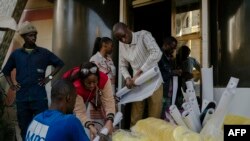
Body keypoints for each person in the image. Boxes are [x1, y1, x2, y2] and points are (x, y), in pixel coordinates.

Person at [2, 21, 64, 140]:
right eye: (30, 35)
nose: (34, 37)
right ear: (24, 37)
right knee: (24, 128)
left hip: (39, 98)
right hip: (22, 99)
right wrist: (12, 85)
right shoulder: (16, 55)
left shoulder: (44, 53)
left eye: (35, 34)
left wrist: (48, 78)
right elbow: (6, 71)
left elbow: (59, 64)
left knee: (43, 126)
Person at [112, 22, 163, 126]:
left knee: (155, 117)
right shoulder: (122, 45)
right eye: (120, 39)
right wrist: (127, 78)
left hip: (154, 81)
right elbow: (122, 66)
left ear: (128, 28)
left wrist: (141, 71)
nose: (123, 40)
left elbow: (157, 53)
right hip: (138, 83)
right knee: (135, 117)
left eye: (124, 36)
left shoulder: (143, 35)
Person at [62, 62, 115, 140]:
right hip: (65, 94)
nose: (92, 85)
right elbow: (80, 113)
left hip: (84, 94)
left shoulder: (104, 79)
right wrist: (90, 126)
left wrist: (110, 120)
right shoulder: (76, 87)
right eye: (88, 83)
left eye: (95, 82)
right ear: (82, 81)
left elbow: (109, 101)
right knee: (70, 122)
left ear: (98, 79)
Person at [25, 79, 89, 141]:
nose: (74, 106)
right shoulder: (69, 121)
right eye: (74, 100)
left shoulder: (36, 119)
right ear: (68, 98)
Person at [158, 36, 182, 118]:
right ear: (165, 45)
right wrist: (172, 73)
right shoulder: (158, 56)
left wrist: (175, 70)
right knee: (162, 115)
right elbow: (158, 76)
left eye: (175, 48)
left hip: (169, 91)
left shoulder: (169, 57)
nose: (173, 50)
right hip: (162, 92)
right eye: (172, 48)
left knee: (168, 116)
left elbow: (169, 71)